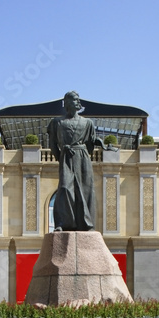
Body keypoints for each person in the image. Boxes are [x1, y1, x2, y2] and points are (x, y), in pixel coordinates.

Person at [48, 91, 110, 231]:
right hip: (66, 157)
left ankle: (87, 224)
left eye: (78, 100)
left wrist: (100, 143)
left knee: (86, 189)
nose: (78, 102)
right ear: (67, 103)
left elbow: (90, 142)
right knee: (65, 188)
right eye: (75, 100)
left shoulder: (87, 122)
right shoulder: (57, 122)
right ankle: (62, 223)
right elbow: (52, 143)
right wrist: (61, 156)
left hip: (82, 157)